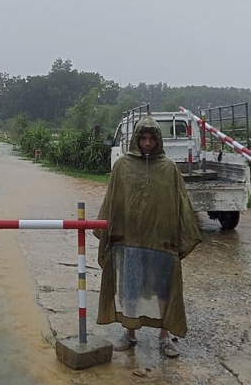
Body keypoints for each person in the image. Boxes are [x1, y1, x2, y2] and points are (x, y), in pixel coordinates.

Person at [93, 115, 202, 358]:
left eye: (152, 138)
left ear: (158, 140)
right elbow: (112, 202)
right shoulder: (122, 166)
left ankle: (164, 338)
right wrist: (109, 232)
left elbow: (181, 203)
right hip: (129, 242)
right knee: (129, 289)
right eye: (143, 138)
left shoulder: (168, 168)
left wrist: (182, 234)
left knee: (164, 290)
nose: (148, 143)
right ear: (136, 139)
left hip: (160, 242)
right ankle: (130, 334)